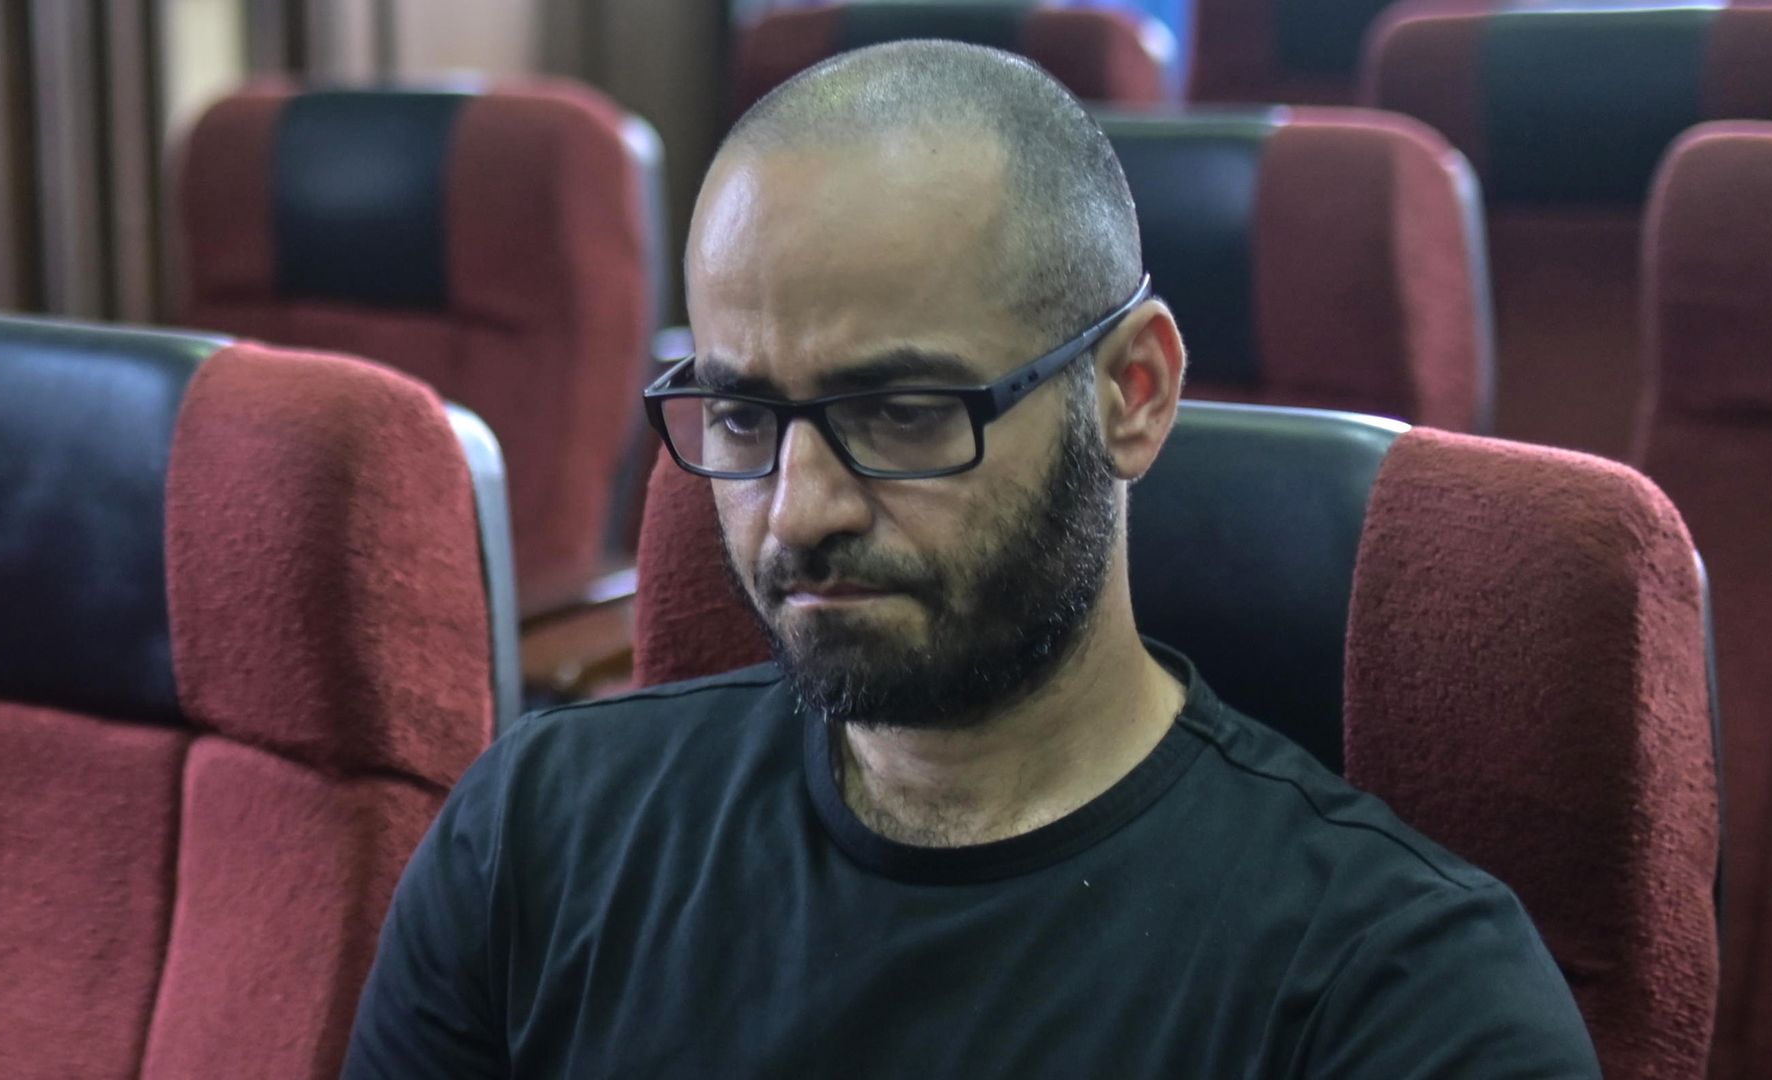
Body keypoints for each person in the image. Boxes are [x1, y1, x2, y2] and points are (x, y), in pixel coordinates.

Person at [344, 41, 1599, 1077]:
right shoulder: (539, 835)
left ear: (1133, 393)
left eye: (900, 414)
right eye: (742, 417)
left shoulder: (1400, 997)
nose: (799, 512)